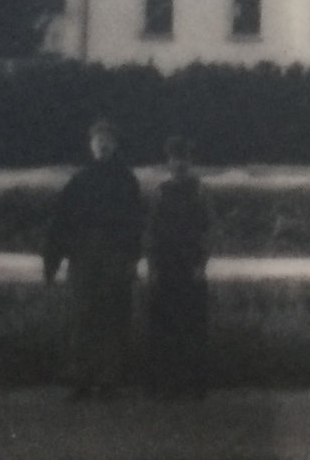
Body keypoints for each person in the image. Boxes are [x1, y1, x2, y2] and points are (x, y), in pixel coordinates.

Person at [44, 118, 143, 399]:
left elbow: (136, 222)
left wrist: (132, 258)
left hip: (115, 254)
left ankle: (109, 379)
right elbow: (61, 221)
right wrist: (52, 260)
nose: (103, 144)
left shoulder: (126, 180)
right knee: (82, 315)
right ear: (90, 145)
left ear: (116, 144)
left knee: (113, 315)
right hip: (83, 254)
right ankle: (81, 377)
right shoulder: (80, 181)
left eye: (108, 139)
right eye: (98, 140)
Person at [146, 136, 211, 398]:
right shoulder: (161, 192)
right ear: (169, 162)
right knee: (165, 325)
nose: (179, 163)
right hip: (166, 265)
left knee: (192, 324)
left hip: (190, 265)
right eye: (174, 158)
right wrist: (152, 266)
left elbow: (208, 231)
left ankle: (193, 384)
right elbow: (151, 231)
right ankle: (166, 384)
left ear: (190, 162)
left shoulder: (200, 191)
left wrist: (201, 264)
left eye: (183, 158)